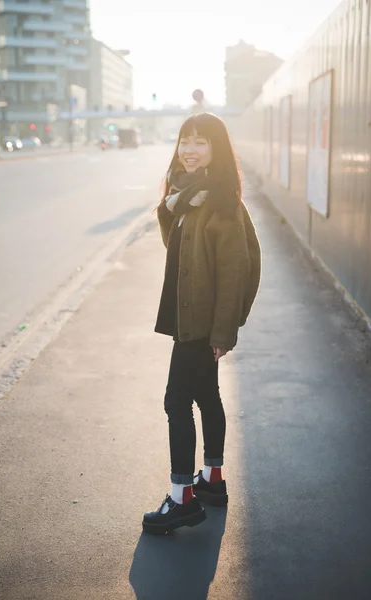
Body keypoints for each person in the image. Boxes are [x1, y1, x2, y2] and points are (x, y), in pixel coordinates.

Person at [142, 113, 261, 535]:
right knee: (206, 394)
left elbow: (239, 269)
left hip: (201, 322)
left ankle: (181, 500)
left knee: (177, 403)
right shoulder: (187, 196)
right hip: (190, 316)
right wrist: (169, 206)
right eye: (184, 141)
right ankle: (211, 480)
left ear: (218, 150)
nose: (190, 150)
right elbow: (173, 244)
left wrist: (224, 331)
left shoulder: (221, 201)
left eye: (201, 143)